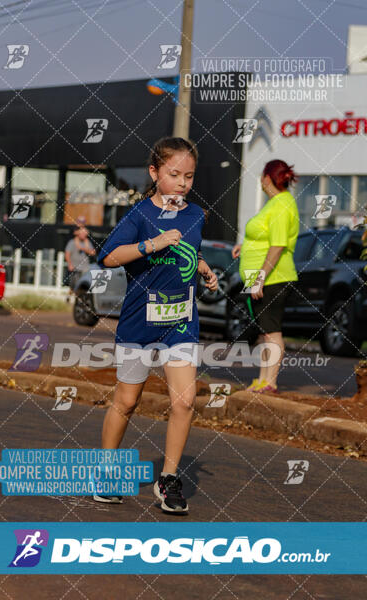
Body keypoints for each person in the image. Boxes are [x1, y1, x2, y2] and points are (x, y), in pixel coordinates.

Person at [95, 137, 218, 514]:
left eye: (189, 176)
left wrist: (203, 268)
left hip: (180, 321)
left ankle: (167, 480)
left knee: (184, 401)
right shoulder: (139, 216)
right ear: (155, 172)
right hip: (139, 322)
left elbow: (189, 250)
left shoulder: (196, 214)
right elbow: (109, 257)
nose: (182, 183)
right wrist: (152, 244)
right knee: (127, 401)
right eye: (174, 174)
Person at [232, 159, 299, 394]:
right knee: (264, 332)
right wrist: (245, 247)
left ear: (267, 178)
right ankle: (262, 380)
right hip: (264, 278)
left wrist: (260, 278)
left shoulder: (281, 205)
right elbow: (265, 238)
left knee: (272, 331)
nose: (260, 180)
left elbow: (278, 245)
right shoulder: (275, 203)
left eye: (262, 176)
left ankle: (270, 382)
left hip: (274, 278)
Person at [65, 226, 96, 298]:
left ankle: (79, 300)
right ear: (78, 233)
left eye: (85, 233)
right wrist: (70, 264)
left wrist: (83, 248)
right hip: (75, 269)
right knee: (73, 286)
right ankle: (69, 298)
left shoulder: (88, 243)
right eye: (82, 233)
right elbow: (67, 254)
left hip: (85, 269)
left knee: (82, 287)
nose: (83, 235)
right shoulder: (72, 242)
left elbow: (93, 253)